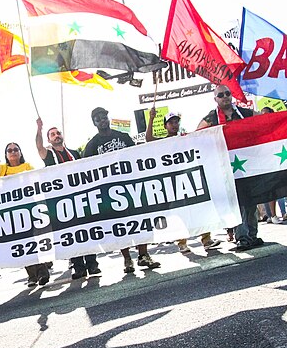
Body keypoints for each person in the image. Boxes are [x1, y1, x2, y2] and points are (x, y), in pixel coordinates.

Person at [85, 107, 161, 272]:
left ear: (108, 118)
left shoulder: (123, 136)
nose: (102, 120)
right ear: (94, 123)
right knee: (121, 225)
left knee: (141, 220)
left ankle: (143, 255)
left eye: (104, 116)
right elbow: (85, 168)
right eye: (98, 119)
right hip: (111, 192)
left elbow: (136, 156)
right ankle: (127, 259)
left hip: (130, 186)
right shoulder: (92, 145)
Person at [147, 109, 222, 253]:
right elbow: (149, 139)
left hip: (189, 179)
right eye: (171, 123)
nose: (174, 125)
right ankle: (182, 242)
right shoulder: (163, 142)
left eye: (176, 122)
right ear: (165, 126)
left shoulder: (185, 138)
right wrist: (151, 119)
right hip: (173, 183)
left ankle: (206, 239)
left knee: (200, 207)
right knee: (180, 213)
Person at [35, 117, 100, 280]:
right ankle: (78, 266)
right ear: (49, 139)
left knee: (87, 230)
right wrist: (39, 130)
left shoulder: (75, 153)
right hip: (62, 201)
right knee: (71, 233)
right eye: (52, 134)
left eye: (58, 133)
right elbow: (38, 146)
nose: (56, 136)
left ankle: (92, 263)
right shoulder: (49, 155)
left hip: (80, 198)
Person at [197, 86, 261, 251]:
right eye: (220, 95)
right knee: (237, 202)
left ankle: (252, 235)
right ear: (215, 99)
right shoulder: (211, 118)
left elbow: (264, 120)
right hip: (226, 167)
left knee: (250, 201)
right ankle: (242, 237)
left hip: (248, 164)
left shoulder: (243, 113)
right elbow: (197, 136)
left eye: (227, 93)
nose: (225, 97)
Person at [0, 131, 51, 286]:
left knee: (35, 240)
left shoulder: (28, 166)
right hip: (13, 212)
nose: (13, 152)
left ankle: (43, 272)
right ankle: (31, 275)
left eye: (15, 149)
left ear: (20, 152)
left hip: (30, 209)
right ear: (6, 154)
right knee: (22, 243)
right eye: (9, 150)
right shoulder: (2, 170)